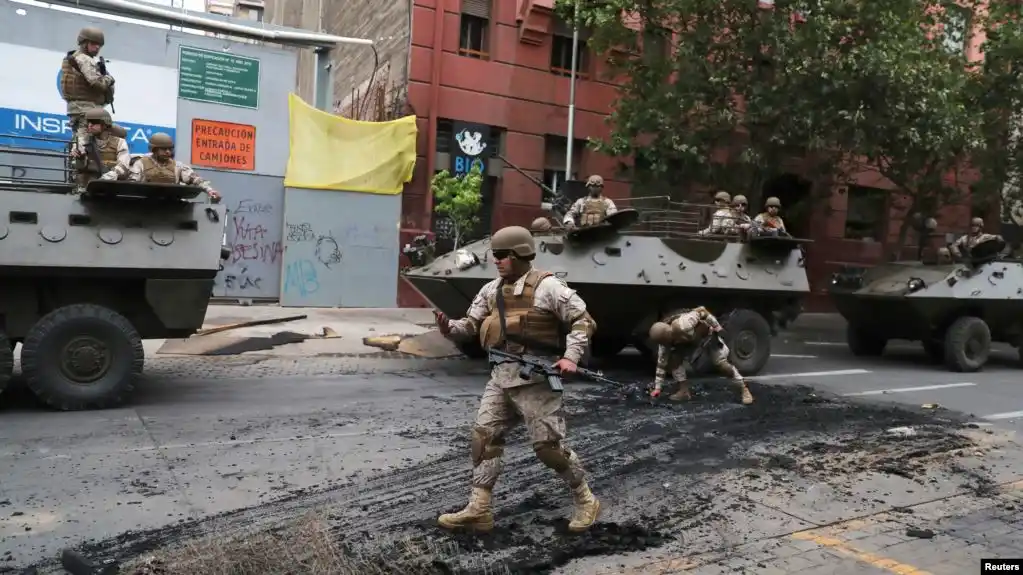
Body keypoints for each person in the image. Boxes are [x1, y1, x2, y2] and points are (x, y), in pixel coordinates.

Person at [433, 225, 601, 533]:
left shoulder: (548, 287)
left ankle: (586, 499)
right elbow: (469, 326)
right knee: (484, 439)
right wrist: (449, 328)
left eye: (502, 255)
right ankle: (480, 509)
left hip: (536, 379)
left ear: (521, 254)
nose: (496, 260)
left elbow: (583, 320)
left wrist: (571, 357)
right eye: (494, 255)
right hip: (501, 376)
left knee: (548, 449)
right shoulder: (491, 289)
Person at [647, 307, 753, 405]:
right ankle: (684, 391)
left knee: (721, 364)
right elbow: (661, 365)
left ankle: (743, 388)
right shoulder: (664, 345)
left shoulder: (683, 324)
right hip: (690, 344)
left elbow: (702, 311)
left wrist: (717, 327)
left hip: (707, 337)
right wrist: (657, 388)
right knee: (674, 360)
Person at [101, 132, 221, 202]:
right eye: (164, 149)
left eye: (170, 149)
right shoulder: (140, 163)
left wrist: (210, 191)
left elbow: (196, 179)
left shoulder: (178, 166)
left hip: (171, 206)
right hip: (144, 205)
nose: (168, 152)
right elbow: (131, 183)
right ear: (154, 149)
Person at [62, 27, 115, 162]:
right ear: (84, 43)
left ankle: (77, 167)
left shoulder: (74, 57)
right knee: (84, 144)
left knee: (80, 140)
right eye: (93, 44)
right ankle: (79, 169)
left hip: (78, 107)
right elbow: (97, 82)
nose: (97, 47)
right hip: (86, 109)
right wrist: (109, 79)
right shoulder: (85, 59)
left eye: (99, 45)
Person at [72, 108, 129, 193]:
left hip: (112, 185)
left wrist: (108, 177)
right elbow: (77, 166)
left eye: (94, 122)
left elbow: (124, 165)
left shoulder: (120, 142)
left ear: (105, 125)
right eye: (88, 122)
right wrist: (80, 158)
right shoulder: (83, 141)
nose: (90, 125)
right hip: (88, 186)